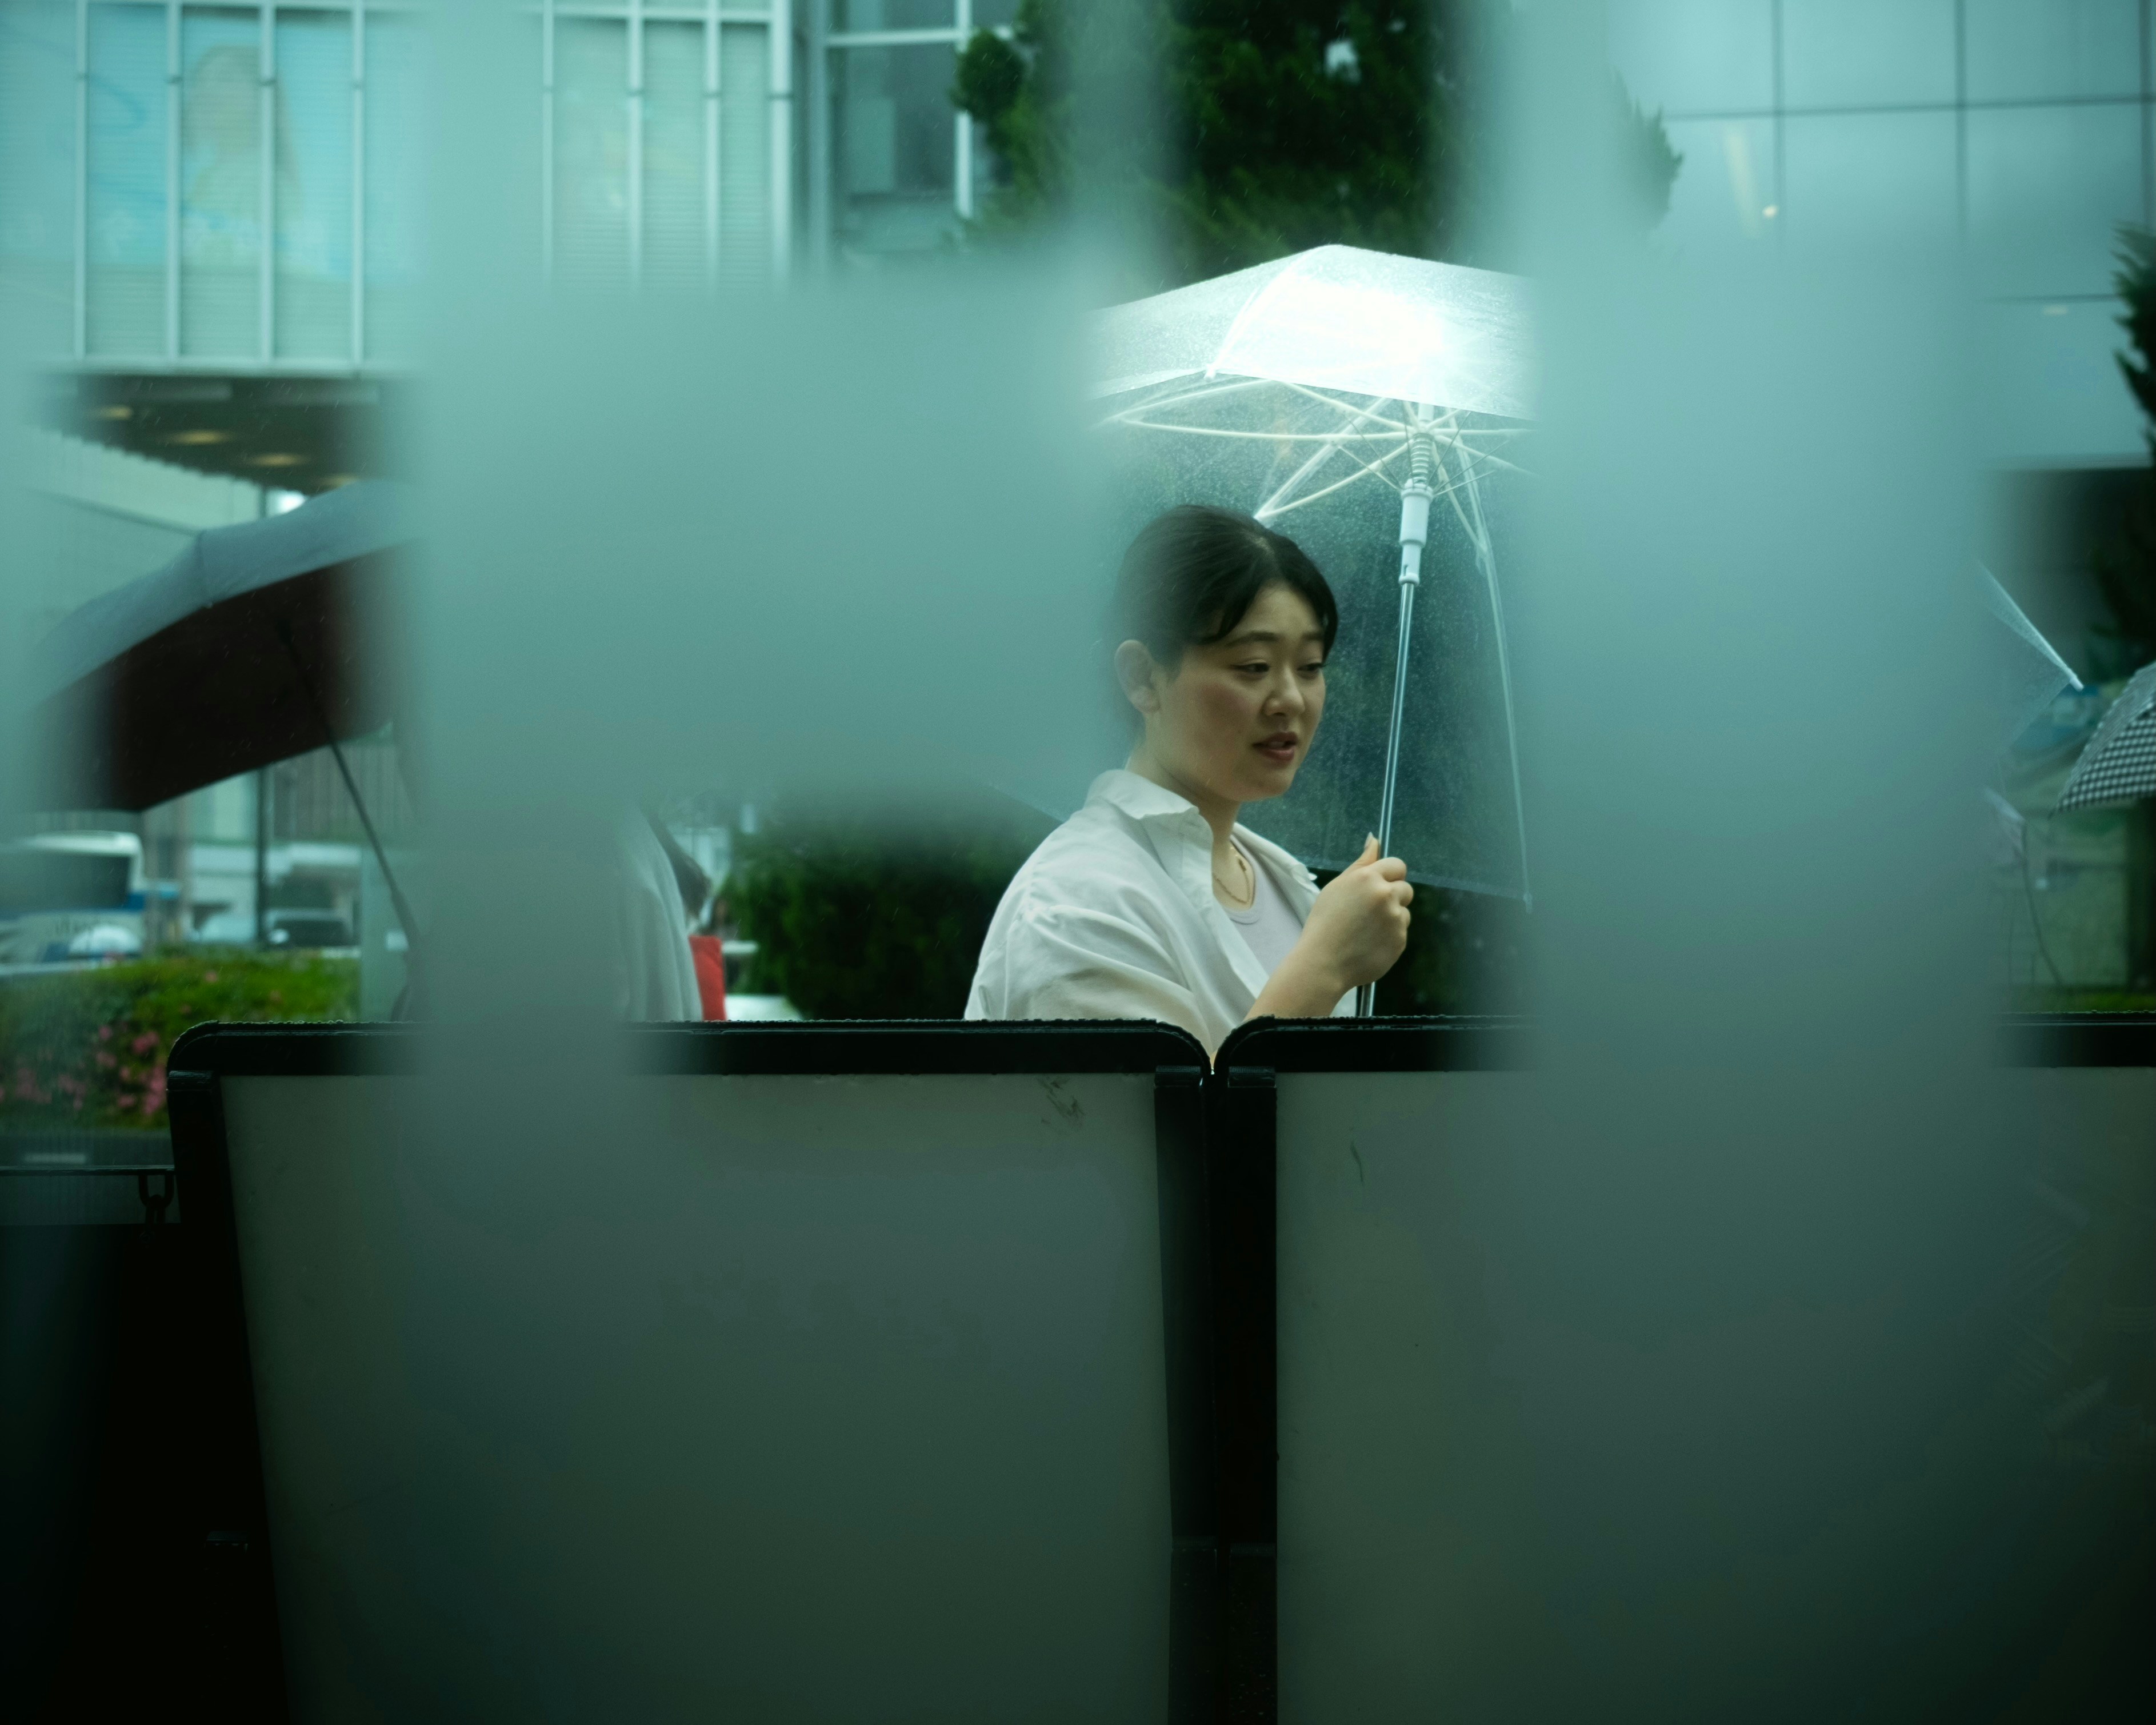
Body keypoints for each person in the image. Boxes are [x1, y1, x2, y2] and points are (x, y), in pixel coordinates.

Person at [966, 504, 1413, 1054]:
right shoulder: (1078, 903)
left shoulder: (1285, 883)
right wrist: (1323, 967)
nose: (1291, 700)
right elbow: (1140, 1111)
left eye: (1310, 667)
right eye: (1253, 666)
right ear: (1141, 677)